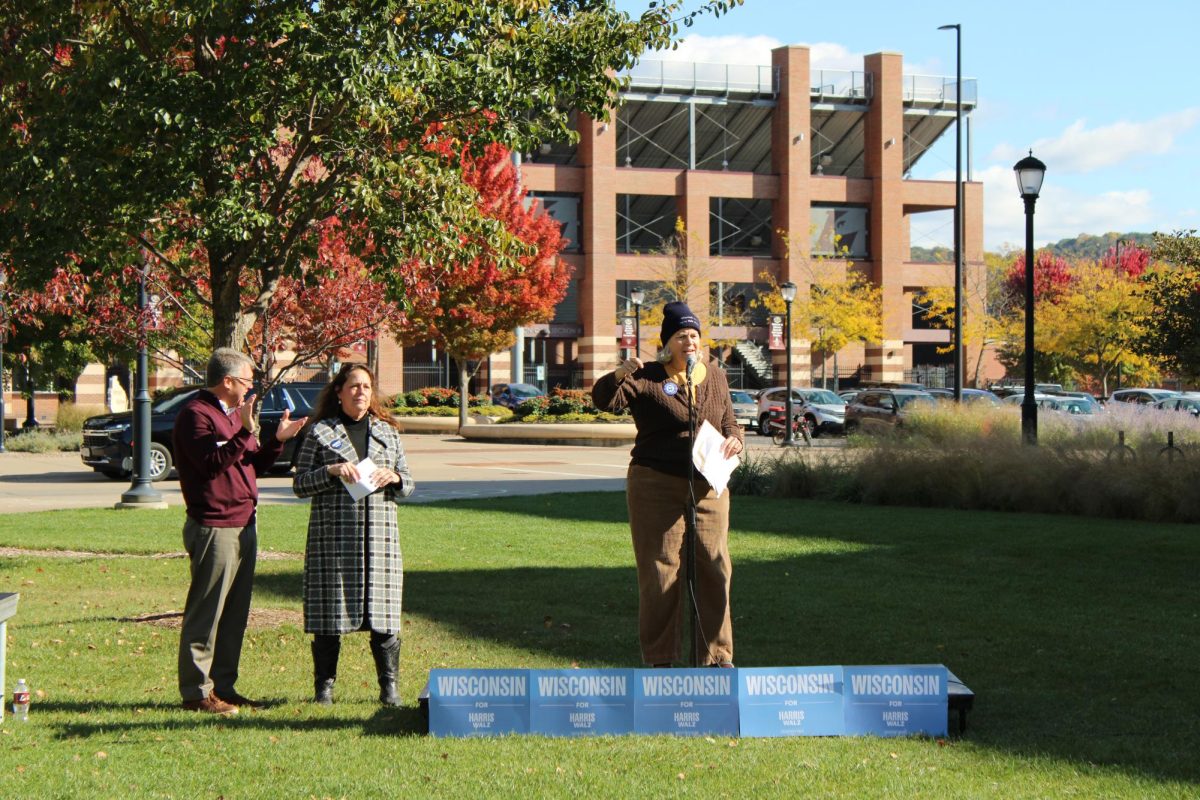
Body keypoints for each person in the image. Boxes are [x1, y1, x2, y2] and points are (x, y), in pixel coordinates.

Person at [592, 301, 743, 668]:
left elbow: (728, 421)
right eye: (681, 335)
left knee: (715, 566)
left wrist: (736, 439)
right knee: (661, 570)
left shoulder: (716, 376)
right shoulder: (647, 376)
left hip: (708, 486)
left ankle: (716, 658)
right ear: (667, 342)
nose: (689, 341)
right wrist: (620, 374)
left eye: (693, 334)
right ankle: (661, 660)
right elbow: (605, 400)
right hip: (655, 485)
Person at [174, 348, 308, 715]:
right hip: (214, 526)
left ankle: (225, 686)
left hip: (244, 523)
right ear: (227, 381)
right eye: (248, 380)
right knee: (207, 610)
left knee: (234, 612)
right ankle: (195, 691)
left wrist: (278, 439)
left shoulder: (233, 416)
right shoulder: (195, 416)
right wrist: (245, 431)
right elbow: (209, 466)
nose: (252, 387)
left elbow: (251, 466)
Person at [292, 364, 414, 706]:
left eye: (366, 386)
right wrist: (329, 471)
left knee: (385, 616)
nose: (361, 392)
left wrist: (396, 478)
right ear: (339, 391)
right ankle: (324, 689)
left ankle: (389, 689)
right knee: (329, 615)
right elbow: (300, 484)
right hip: (333, 539)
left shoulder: (387, 433)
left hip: (381, 538)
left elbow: (409, 481)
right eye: (354, 386)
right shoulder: (320, 433)